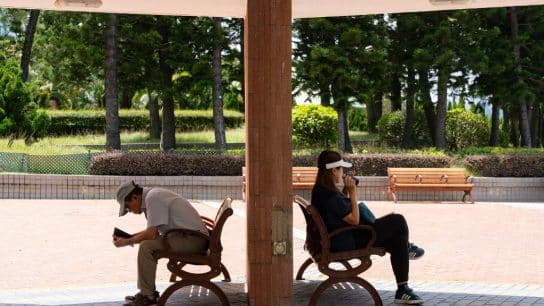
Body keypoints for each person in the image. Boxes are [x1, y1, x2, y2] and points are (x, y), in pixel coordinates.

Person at [311, 150, 424, 304]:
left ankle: (402, 289)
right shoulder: (328, 194)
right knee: (397, 220)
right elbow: (354, 219)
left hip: (342, 236)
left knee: (397, 241)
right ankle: (408, 250)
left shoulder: (321, 190)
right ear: (333, 170)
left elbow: (340, 210)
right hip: (346, 240)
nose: (342, 172)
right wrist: (352, 191)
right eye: (341, 169)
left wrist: (345, 190)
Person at [113, 181, 209, 306]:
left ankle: (148, 295)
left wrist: (127, 241)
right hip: (190, 237)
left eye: (127, 206)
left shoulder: (153, 198)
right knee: (147, 245)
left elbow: (151, 234)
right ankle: (146, 293)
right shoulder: (152, 196)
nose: (129, 210)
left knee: (146, 247)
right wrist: (130, 237)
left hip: (194, 240)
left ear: (135, 197)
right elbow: (153, 232)